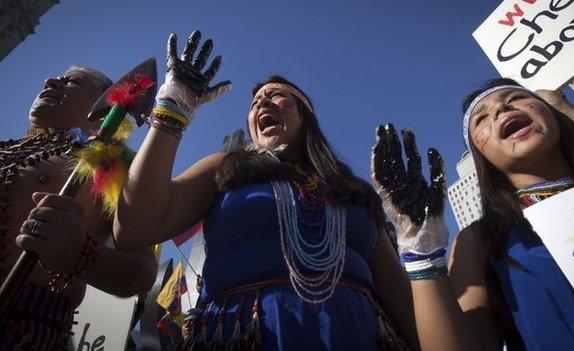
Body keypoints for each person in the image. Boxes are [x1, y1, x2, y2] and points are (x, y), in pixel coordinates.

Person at [114, 30, 419, 350]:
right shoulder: (224, 168)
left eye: (275, 95)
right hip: (245, 336)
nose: (262, 103)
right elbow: (135, 227)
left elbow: (398, 292)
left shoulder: (356, 192)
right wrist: (173, 107)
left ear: (306, 114)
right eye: (255, 102)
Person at [371, 78, 574, 351]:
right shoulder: (481, 240)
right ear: (482, 157)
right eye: (481, 119)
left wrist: (568, 112)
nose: (501, 109)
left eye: (515, 98)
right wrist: (421, 255)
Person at [0, 66, 158, 350]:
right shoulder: (7, 149)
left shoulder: (116, 163)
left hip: (23, 329)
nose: (49, 81)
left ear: (104, 102)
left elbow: (142, 271)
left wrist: (78, 253)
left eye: (70, 81)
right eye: (55, 78)